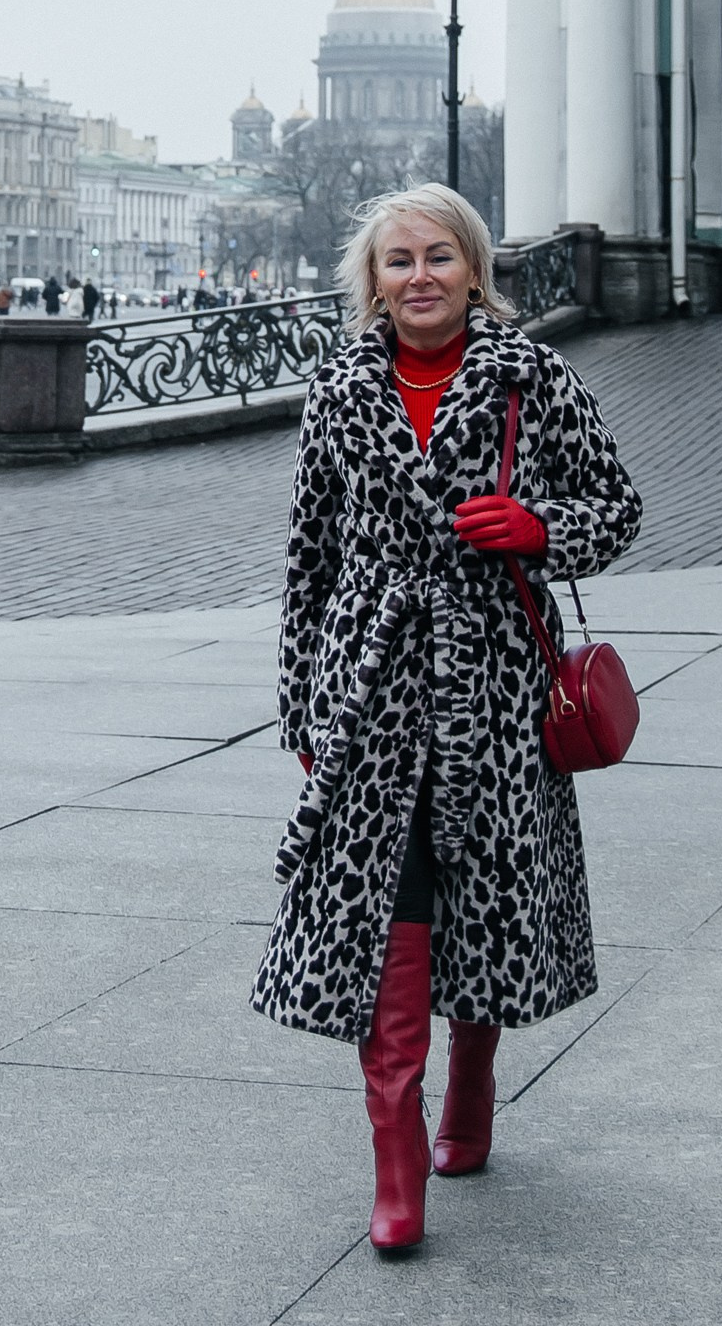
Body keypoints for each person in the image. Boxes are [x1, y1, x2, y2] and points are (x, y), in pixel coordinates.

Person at [254, 182, 641, 1255]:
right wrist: (301, 706)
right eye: (397, 261)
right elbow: (309, 562)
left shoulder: (532, 377)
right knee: (392, 909)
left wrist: (535, 526)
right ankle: (396, 1155)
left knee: (489, 895)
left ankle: (472, 1080)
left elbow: (618, 508)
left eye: (437, 257)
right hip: (371, 684)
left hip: (496, 684)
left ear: (474, 268)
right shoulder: (338, 390)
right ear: (371, 282)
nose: (418, 277)